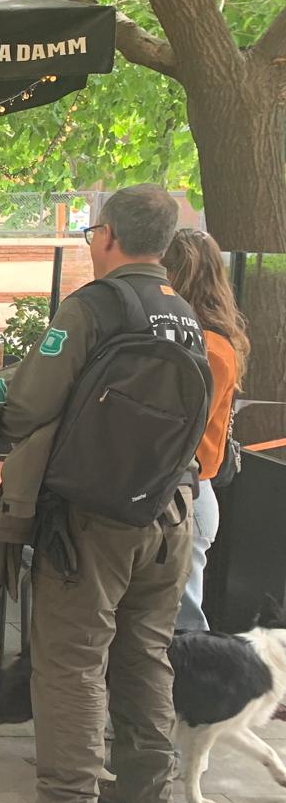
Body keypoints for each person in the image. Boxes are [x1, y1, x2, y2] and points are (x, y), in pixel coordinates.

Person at [0, 184, 204, 803]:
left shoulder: (91, 307)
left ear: (107, 236)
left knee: (70, 661)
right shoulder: (183, 313)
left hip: (93, 520)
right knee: (145, 654)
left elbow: (25, 403)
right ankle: (148, 794)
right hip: (169, 512)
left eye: (90, 234)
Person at [161, 228, 248, 632]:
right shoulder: (212, 341)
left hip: (186, 493)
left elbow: (183, 427)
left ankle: (189, 696)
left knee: (183, 625)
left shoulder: (206, 346)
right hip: (188, 493)